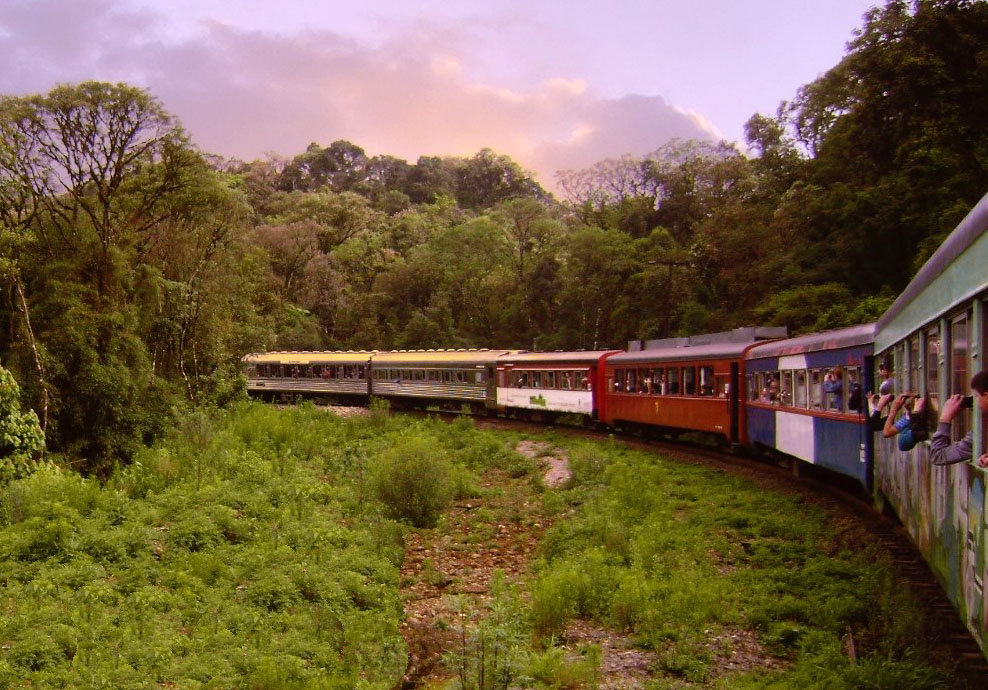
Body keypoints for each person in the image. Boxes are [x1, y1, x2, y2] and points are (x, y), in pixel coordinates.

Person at [929, 370, 988, 467]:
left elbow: (939, 455)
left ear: (986, 396)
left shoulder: (982, 432)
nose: (975, 402)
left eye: (976, 396)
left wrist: (945, 418)